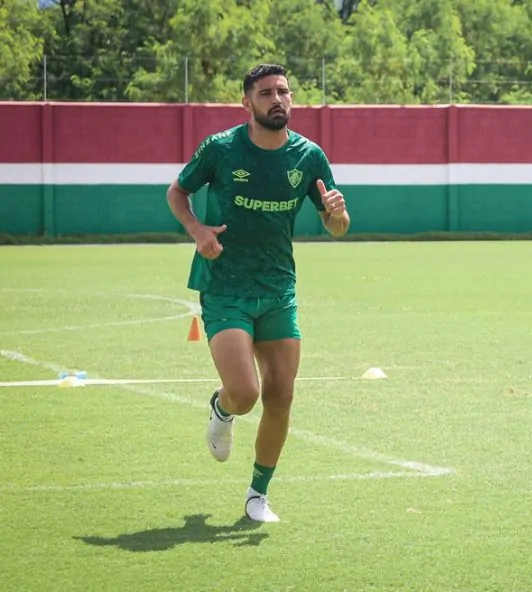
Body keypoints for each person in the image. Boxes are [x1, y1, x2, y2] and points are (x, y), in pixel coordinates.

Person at [166, 63, 350, 522]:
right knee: (245, 393)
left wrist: (336, 214)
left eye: (283, 91)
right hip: (225, 286)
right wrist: (196, 229)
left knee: (281, 396)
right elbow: (177, 192)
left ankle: (257, 495)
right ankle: (222, 407)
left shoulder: (309, 157)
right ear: (246, 102)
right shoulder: (221, 149)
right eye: (266, 92)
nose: (277, 99)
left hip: (278, 288)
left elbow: (338, 227)